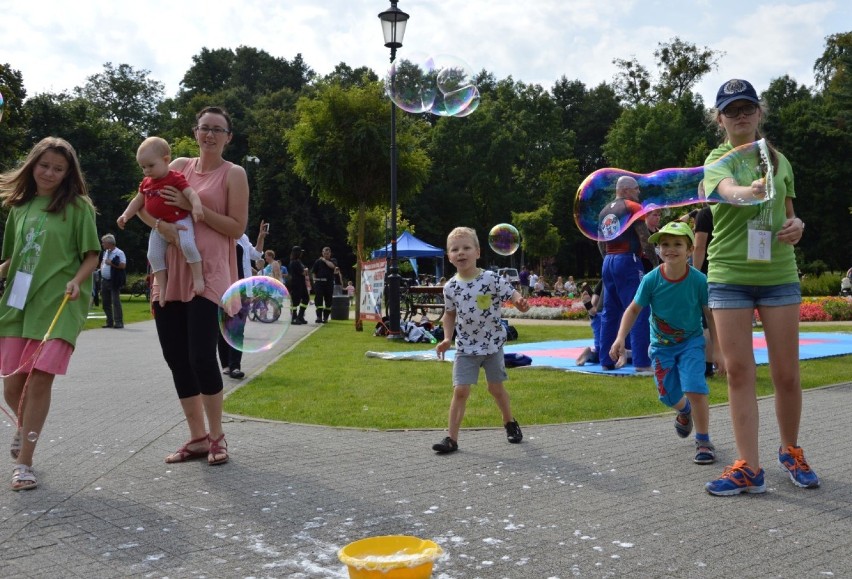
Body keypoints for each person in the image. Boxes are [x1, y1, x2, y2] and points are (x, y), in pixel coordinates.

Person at [702, 79, 818, 495]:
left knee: (787, 374)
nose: (740, 115)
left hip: (778, 276)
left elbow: (789, 213)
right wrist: (745, 190)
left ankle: (791, 450)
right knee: (738, 372)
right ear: (720, 119)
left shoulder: (780, 161)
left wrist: (797, 226)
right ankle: (749, 466)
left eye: (747, 107)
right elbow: (726, 190)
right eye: (731, 110)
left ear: (759, 113)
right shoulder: (718, 159)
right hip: (729, 275)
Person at [136, 106, 248, 466]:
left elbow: (236, 228)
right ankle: (197, 438)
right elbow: (144, 205)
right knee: (176, 358)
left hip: (209, 272)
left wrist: (191, 205)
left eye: (218, 129)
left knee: (202, 355)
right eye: (204, 128)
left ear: (228, 137)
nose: (210, 135)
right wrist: (159, 227)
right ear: (195, 132)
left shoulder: (234, 174)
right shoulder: (178, 164)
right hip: (171, 270)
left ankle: (218, 436)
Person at [0, 137, 100, 491]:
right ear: (33, 165)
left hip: (60, 302)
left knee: (40, 378)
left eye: (59, 168)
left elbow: (92, 255)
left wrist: (77, 280)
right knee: (12, 385)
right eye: (44, 166)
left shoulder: (78, 206)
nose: (50, 173)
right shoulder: (20, 208)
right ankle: (23, 427)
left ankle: (24, 464)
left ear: (68, 172)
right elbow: (15, 257)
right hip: (18, 302)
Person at [609, 221, 721, 465]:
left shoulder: (699, 280)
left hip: (691, 343)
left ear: (690, 250)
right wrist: (619, 337)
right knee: (667, 396)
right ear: (658, 250)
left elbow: (710, 315)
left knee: (695, 386)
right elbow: (633, 309)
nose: (670, 249)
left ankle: (703, 440)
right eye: (665, 244)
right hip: (661, 347)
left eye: (678, 244)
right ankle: (684, 410)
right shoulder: (651, 280)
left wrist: (718, 351)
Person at [432, 227, 530, 454]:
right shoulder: (450, 287)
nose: (461, 253)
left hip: (493, 345)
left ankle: (509, 422)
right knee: (460, 390)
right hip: (465, 347)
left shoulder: (490, 278)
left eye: (466, 248)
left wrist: (520, 302)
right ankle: (451, 439)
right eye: (455, 249)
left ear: (477, 252)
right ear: (449, 256)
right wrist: (447, 338)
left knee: (495, 388)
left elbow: (512, 294)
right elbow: (449, 314)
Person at [117, 136, 205, 307]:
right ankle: (162, 288)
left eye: (150, 165)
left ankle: (198, 277)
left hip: (181, 220)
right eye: (142, 167)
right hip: (159, 225)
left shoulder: (175, 177)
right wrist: (125, 215)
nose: (146, 171)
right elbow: (137, 201)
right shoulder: (146, 183)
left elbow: (191, 193)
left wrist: (197, 207)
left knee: (187, 245)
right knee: (153, 255)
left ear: (166, 160)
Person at [597, 175, 657, 373]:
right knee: (638, 308)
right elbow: (644, 238)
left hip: (609, 261)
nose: (639, 193)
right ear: (626, 190)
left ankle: (606, 360)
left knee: (610, 311)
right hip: (628, 259)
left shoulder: (604, 211)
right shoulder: (633, 207)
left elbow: (600, 242)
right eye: (637, 189)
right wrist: (657, 264)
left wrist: (608, 259)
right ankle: (642, 362)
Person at [218, 220, 267, 379]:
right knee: (224, 328)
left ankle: (235, 366)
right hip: (225, 288)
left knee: (238, 329)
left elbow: (257, 255)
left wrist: (261, 237)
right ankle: (225, 363)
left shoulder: (243, 238)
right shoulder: (222, 235)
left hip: (244, 289)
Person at [692, 205, 720, 377]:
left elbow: (699, 246)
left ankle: (707, 366)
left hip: (710, 272)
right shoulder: (736, 209)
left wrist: (694, 273)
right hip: (732, 273)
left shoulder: (705, 213)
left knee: (706, 321)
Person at [99, 234, 126, 329]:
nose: (102, 244)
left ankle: (118, 322)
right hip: (104, 280)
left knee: (115, 301)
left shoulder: (119, 252)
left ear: (109, 243)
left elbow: (123, 265)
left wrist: (111, 263)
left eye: (104, 242)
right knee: (105, 302)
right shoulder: (105, 252)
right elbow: (103, 262)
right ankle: (109, 321)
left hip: (114, 280)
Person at [311, 247, 339, 323]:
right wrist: (314, 280)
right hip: (319, 283)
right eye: (324, 253)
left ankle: (325, 317)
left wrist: (324, 260)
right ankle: (319, 317)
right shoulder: (318, 261)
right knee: (318, 300)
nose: (326, 255)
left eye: (327, 253)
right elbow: (314, 272)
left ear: (330, 253)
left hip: (329, 283)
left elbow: (332, 266)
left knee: (328, 301)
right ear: (322, 253)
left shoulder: (333, 260)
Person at [286, 246, 309, 325]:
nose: (302, 253)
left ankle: (300, 316)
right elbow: (303, 272)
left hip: (301, 283)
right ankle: (294, 318)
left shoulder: (299, 261)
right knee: (295, 301)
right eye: (300, 252)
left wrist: (305, 269)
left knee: (306, 298)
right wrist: (305, 270)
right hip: (296, 283)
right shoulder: (294, 262)